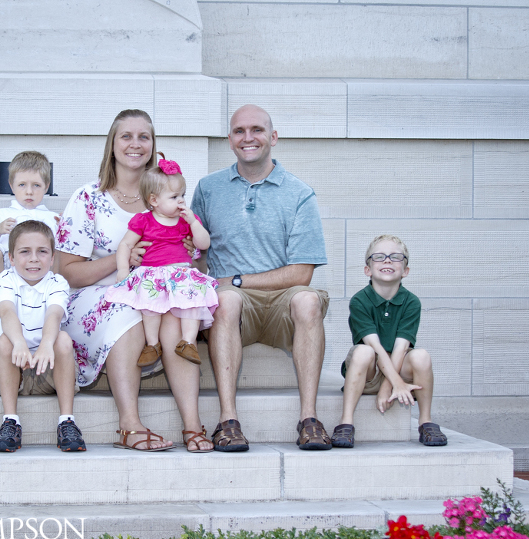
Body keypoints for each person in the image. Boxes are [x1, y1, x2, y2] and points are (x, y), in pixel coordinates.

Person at [56, 109, 213, 453]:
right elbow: (67, 271)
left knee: (177, 317)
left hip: (157, 292)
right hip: (97, 295)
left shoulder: (168, 199)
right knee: (130, 315)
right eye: (126, 136)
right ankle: (129, 424)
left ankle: (192, 426)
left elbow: (196, 259)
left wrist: (192, 253)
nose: (135, 144)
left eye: (144, 137)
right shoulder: (89, 198)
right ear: (112, 145)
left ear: (154, 146)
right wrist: (122, 259)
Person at [191, 104, 331, 452]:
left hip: (282, 300)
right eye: (239, 131)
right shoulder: (208, 189)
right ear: (229, 139)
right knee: (223, 300)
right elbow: (194, 253)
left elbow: (302, 273)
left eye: (256, 129)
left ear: (273, 137)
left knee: (308, 299)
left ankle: (309, 419)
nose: (248, 137)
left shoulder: (299, 194)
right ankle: (228, 421)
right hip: (235, 308)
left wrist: (236, 280)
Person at [333, 234, 447, 448]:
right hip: (368, 373)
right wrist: (392, 383)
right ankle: (346, 422)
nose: (387, 260)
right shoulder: (360, 300)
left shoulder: (411, 302)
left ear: (405, 271)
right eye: (379, 257)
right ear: (368, 269)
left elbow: (401, 347)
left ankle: (426, 422)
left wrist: (388, 386)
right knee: (363, 351)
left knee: (421, 356)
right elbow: (374, 347)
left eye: (395, 257)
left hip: (397, 369)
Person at [105, 154, 218, 367]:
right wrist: (122, 270)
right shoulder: (144, 220)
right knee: (149, 306)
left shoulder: (187, 221)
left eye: (183, 195)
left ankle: (188, 342)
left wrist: (193, 222)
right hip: (152, 273)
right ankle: (152, 343)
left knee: (191, 301)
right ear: (154, 200)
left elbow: (203, 244)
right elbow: (125, 245)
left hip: (181, 274)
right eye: (174, 197)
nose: (182, 201)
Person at [0, 220, 84, 454]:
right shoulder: (6, 280)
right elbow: (7, 311)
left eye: (42, 252)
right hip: (11, 368)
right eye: (24, 252)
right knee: (5, 341)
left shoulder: (57, 282)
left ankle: (67, 422)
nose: (34, 258)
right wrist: (19, 343)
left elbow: (54, 314)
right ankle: (10, 421)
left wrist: (45, 344)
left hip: (46, 366)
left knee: (62, 339)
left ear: (52, 258)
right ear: (11, 258)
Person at [0, 151, 59, 295]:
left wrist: (65, 227)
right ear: (11, 185)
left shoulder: (52, 218)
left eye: (36, 185)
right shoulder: (1, 215)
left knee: (58, 252)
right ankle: (3, 305)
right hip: (9, 272)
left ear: (46, 187)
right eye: (22, 185)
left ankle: (48, 299)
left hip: (42, 271)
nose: (29, 192)